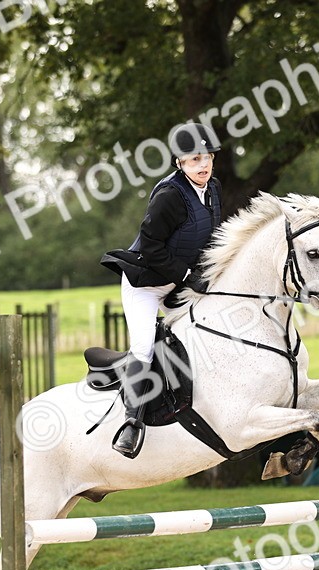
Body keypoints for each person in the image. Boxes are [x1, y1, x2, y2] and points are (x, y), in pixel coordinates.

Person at [103, 122, 223, 458]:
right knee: (143, 347)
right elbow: (152, 247)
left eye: (208, 157)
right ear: (180, 163)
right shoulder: (170, 196)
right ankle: (131, 422)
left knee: (207, 332)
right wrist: (187, 275)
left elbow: (211, 238)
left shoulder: (213, 189)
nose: (204, 164)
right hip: (146, 284)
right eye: (195, 159)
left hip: (179, 284)